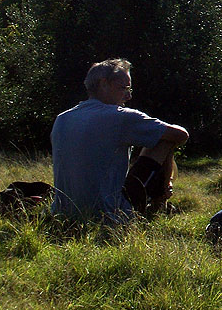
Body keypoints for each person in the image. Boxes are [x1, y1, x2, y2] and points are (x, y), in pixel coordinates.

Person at [51, 58, 189, 222]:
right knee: (165, 139)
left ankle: (160, 200)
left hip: (63, 214)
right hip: (109, 214)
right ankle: (161, 202)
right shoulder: (120, 117)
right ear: (104, 84)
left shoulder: (62, 118)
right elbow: (181, 135)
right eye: (123, 88)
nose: (128, 96)